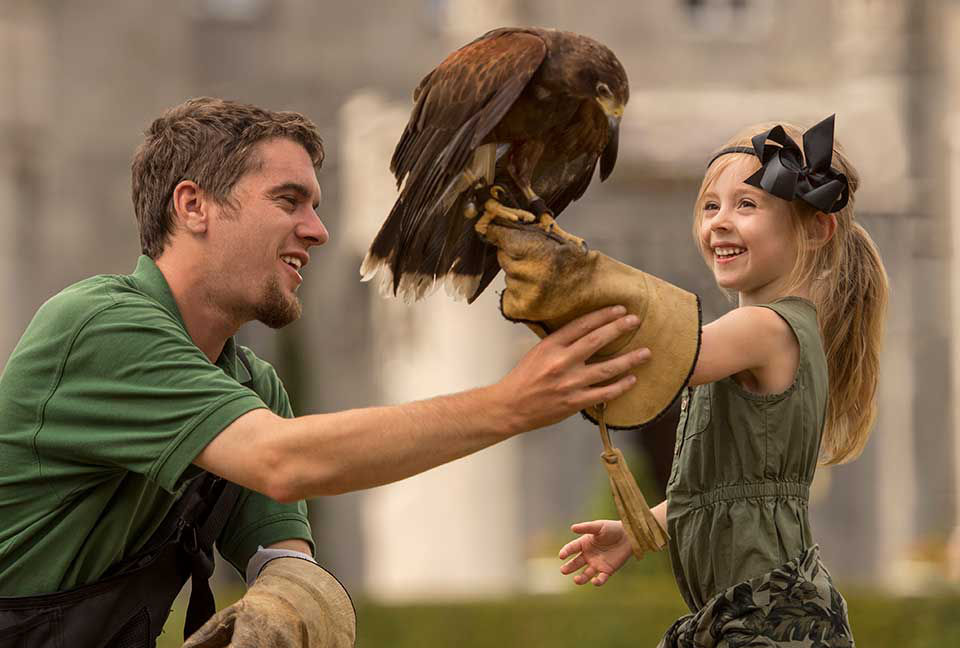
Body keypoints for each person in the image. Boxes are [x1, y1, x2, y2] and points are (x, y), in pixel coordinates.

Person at [0, 97, 653, 648]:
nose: (318, 230)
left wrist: (289, 602)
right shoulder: (99, 328)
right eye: (289, 200)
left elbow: (285, 561)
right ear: (193, 206)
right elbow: (282, 461)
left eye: (315, 204)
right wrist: (511, 403)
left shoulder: (251, 387)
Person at [482, 115, 888, 646]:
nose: (719, 221)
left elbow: (664, 354)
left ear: (814, 228)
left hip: (772, 619)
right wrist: (640, 528)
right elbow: (728, 492)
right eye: (709, 205)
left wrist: (559, 270)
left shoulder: (764, 328)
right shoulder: (758, 333)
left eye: (746, 204)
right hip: (752, 614)